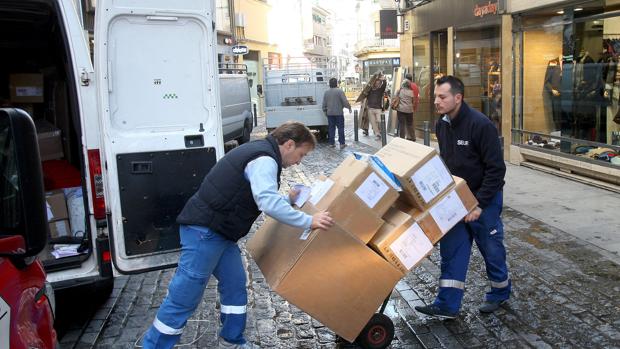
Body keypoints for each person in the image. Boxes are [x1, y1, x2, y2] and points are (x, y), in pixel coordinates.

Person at [142, 122, 335, 349]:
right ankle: (154, 345)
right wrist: (309, 221)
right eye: (300, 155)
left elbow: (255, 197)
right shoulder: (265, 159)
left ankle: (231, 341)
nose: (298, 162)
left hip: (221, 233)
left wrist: (288, 200)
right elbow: (267, 202)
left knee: (235, 286)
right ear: (289, 144)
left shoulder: (261, 153)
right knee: (184, 296)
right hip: (205, 232)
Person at [415, 76, 510, 319]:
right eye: (436, 96)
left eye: (442, 97)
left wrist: (479, 204)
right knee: (452, 249)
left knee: (491, 249)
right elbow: (447, 163)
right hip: (457, 199)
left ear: (458, 98)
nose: (437, 101)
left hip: (484, 199)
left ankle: (499, 293)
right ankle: (447, 304)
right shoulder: (442, 124)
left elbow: (496, 170)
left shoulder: (481, 125)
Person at [322, 77, 352, 149]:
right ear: (336, 84)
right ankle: (342, 143)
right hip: (339, 113)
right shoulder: (340, 91)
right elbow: (344, 101)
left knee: (331, 128)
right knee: (340, 128)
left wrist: (325, 111)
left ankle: (331, 143)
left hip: (330, 114)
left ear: (329, 84)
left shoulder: (326, 92)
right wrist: (349, 107)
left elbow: (324, 104)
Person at [366, 72, 387, 140]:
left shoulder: (380, 90)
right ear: (374, 83)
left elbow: (384, 85)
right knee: (373, 123)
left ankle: (381, 131)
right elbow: (365, 93)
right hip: (370, 108)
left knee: (379, 120)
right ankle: (377, 134)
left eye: (379, 83)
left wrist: (383, 79)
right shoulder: (370, 90)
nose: (377, 84)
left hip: (378, 108)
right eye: (376, 82)